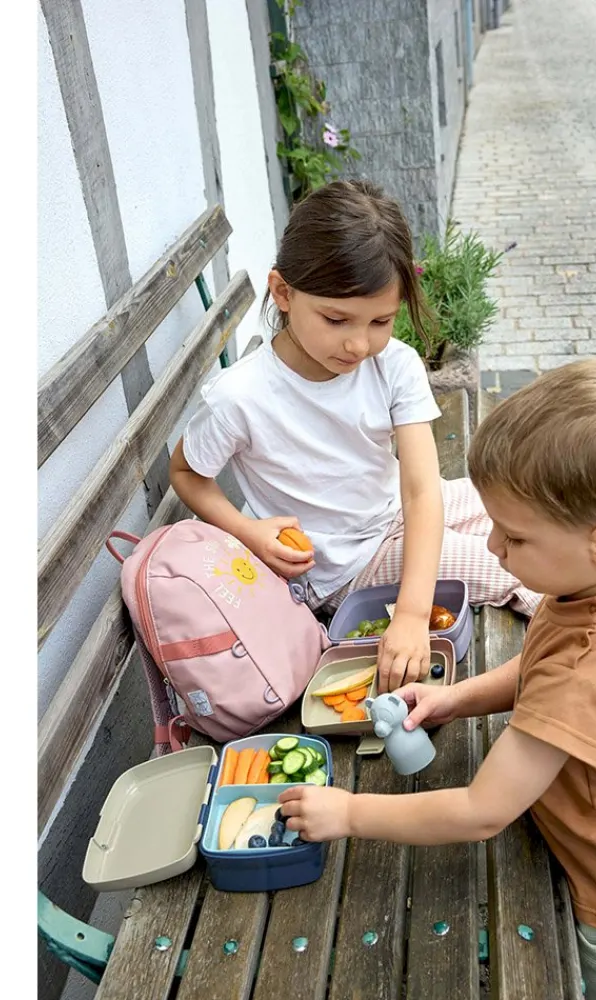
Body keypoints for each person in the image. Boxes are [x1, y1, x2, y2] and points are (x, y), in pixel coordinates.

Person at [278, 358, 596, 1000]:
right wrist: (457, 697)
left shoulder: (592, 674)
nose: (493, 550)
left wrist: (347, 811)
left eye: (514, 537)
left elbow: (481, 811)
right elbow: (539, 670)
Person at [169, 180, 539, 689]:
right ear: (283, 293)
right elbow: (186, 472)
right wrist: (246, 529)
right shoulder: (242, 396)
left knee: (534, 505)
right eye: (336, 319)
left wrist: (411, 611)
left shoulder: (394, 364)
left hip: (396, 512)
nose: (359, 343)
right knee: (524, 571)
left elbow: (420, 489)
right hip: (348, 567)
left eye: (381, 320)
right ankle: (581, 686)